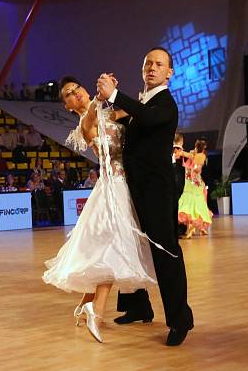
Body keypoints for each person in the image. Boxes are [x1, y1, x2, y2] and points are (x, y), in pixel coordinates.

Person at [43, 76, 157, 344]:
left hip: (126, 186)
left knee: (112, 248)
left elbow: (136, 109)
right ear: (68, 105)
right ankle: (97, 311)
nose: (75, 94)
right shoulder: (85, 122)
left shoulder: (111, 111)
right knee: (113, 248)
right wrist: (102, 94)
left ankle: (88, 304)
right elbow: (94, 113)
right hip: (111, 189)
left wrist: (124, 94)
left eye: (77, 89)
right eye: (69, 95)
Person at [96, 47, 193, 346]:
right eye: (148, 63)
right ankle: (138, 306)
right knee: (132, 247)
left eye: (159, 64)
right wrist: (101, 104)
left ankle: (180, 320)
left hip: (156, 191)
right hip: (134, 187)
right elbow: (132, 123)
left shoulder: (165, 103)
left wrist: (115, 95)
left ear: (169, 72)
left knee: (165, 252)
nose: (152, 67)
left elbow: (149, 119)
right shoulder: (142, 104)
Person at [177, 139, 213, 238]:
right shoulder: (196, 154)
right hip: (191, 183)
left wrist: (181, 153)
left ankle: (193, 229)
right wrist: (181, 152)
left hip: (194, 184)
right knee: (194, 205)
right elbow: (188, 157)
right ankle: (198, 228)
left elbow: (194, 164)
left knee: (192, 205)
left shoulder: (200, 156)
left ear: (197, 146)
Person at [172, 133, 187, 237]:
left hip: (178, 175)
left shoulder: (176, 149)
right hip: (177, 176)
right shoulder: (177, 149)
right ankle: (175, 229)